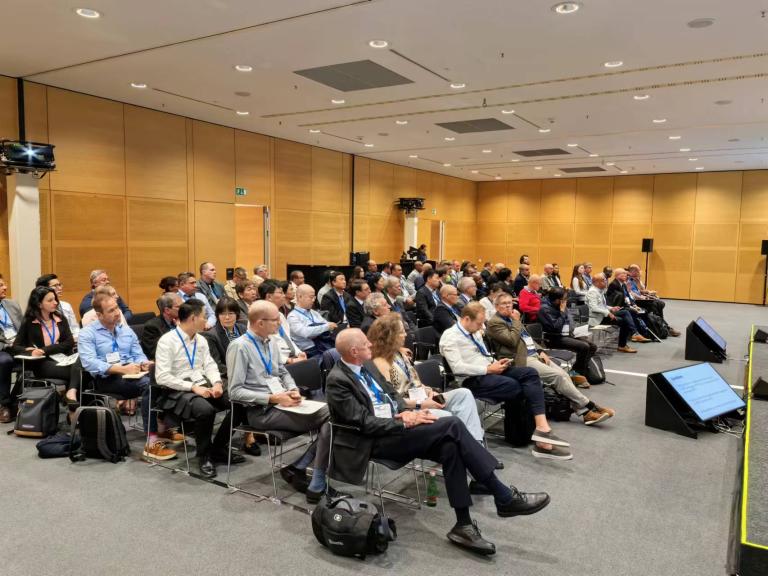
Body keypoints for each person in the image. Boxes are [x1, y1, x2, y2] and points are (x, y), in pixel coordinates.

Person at [326, 328, 550, 555]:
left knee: (450, 447)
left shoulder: (367, 366)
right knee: (451, 424)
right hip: (374, 440)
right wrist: (405, 422)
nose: (371, 346)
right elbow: (364, 423)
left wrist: (406, 412)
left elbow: (392, 396)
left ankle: (463, 525)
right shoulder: (338, 380)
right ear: (354, 351)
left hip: (395, 426)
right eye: (366, 344)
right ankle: (503, 495)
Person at [227, 301, 335, 503]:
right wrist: (274, 398)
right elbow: (234, 392)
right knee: (333, 416)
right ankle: (310, 474)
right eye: (275, 319)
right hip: (261, 411)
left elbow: (282, 371)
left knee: (333, 418)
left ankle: (302, 469)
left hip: (283, 403)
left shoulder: (270, 341)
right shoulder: (240, 347)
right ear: (260, 323)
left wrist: (292, 389)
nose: (279, 323)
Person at [440, 302, 572, 460]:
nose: (482, 327)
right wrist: (488, 369)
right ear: (467, 319)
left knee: (530, 373)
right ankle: (532, 437)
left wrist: (496, 363)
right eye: (479, 323)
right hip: (471, 380)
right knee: (517, 386)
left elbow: (483, 355)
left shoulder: (473, 331)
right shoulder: (450, 337)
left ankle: (542, 428)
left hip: (490, 370)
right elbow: (457, 368)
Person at [487, 293, 614, 426]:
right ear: (496, 307)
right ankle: (590, 405)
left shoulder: (512, 319)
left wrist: (541, 350)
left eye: (510, 302)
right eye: (504, 303)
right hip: (520, 359)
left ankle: (585, 413)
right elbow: (512, 341)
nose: (508, 305)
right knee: (558, 376)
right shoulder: (495, 323)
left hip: (534, 354)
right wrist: (517, 321)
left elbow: (526, 338)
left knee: (564, 375)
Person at [79, 294, 176, 461]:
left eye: (117, 308)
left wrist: (144, 363)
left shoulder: (125, 329)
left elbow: (137, 354)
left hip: (132, 374)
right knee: (149, 386)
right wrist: (120, 369)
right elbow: (89, 363)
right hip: (107, 379)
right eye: (111, 310)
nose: (117, 313)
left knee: (164, 379)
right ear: (99, 315)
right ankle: (151, 442)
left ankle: (162, 427)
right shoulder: (88, 333)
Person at [154, 299, 238, 478]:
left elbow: (210, 365)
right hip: (177, 389)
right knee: (205, 410)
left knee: (238, 402)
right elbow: (162, 377)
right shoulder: (167, 341)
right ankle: (204, 455)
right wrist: (192, 387)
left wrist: (216, 382)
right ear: (193, 318)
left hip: (202, 383)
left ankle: (218, 448)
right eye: (204, 316)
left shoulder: (201, 339)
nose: (206, 321)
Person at [369, 313, 484, 442]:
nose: (406, 335)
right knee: (448, 417)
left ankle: (475, 444)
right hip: (408, 409)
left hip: (421, 397)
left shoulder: (399, 354)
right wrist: (422, 404)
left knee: (463, 394)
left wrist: (429, 391)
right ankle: (468, 449)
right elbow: (392, 401)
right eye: (401, 332)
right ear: (390, 336)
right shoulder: (380, 362)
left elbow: (415, 382)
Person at [10, 286, 80, 407]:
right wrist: (29, 351)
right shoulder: (30, 322)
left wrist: (44, 350)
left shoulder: (60, 318)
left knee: (82, 362)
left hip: (63, 358)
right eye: (50, 300)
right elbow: (15, 347)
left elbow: (69, 342)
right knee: (79, 372)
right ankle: (72, 405)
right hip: (42, 363)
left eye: (55, 299)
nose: (55, 302)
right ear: (39, 304)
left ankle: (71, 396)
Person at [538, 288, 598, 377]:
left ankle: (577, 370)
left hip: (567, 334)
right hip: (553, 338)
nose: (566, 301)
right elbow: (555, 327)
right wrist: (562, 312)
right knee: (584, 346)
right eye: (564, 299)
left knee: (593, 346)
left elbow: (570, 319)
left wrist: (574, 330)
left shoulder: (560, 305)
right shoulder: (544, 309)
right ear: (558, 300)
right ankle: (578, 373)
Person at [586, 273, 642, 353]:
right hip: (598, 318)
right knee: (624, 322)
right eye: (603, 281)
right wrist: (608, 313)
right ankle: (623, 344)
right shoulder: (593, 292)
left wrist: (612, 308)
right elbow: (594, 308)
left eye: (605, 280)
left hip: (603, 315)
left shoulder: (599, 290)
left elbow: (602, 305)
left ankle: (634, 333)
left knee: (625, 312)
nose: (606, 282)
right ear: (596, 282)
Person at [259, 281, 306, 365]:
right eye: (280, 293)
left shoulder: (280, 314)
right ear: (269, 296)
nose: (284, 296)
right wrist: (288, 360)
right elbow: (264, 349)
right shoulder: (259, 317)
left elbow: (287, 338)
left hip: (291, 357)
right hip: (275, 363)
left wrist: (299, 353)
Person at [626, 264, 680, 336]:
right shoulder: (628, 280)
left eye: (638, 270)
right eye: (637, 270)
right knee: (654, 304)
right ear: (631, 271)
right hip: (635, 301)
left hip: (640, 299)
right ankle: (663, 326)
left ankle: (662, 325)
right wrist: (641, 297)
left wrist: (639, 282)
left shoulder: (636, 279)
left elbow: (642, 290)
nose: (639, 272)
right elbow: (630, 293)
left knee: (660, 303)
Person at [287, 284, 338, 357]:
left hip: (323, 344)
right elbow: (305, 333)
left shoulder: (314, 313)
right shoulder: (293, 316)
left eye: (314, 297)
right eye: (311, 297)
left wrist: (330, 326)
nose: (313, 300)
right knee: (335, 354)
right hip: (309, 350)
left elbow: (326, 324)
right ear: (300, 297)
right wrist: (326, 327)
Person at [0, 276, 23, 423]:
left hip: (18, 344)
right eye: (1, 285)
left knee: (37, 360)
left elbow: (23, 326)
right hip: (2, 347)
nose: (5, 287)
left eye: (4, 284)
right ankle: (3, 404)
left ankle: (14, 400)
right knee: (5, 361)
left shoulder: (12, 304)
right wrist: (9, 344)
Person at [35, 274, 79, 341]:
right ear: (45, 289)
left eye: (59, 285)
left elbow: (75, 328)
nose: (60, 288)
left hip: (71, 342)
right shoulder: (40, 308)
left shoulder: (66, 306)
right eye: (55, 286)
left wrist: (75, 338)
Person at [141, 292, 182, 360]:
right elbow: (155, 353)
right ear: (167, 310)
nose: (183, 309)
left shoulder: (183, 321)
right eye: (178, 307)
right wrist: (179, 331)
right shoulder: (152, 327)